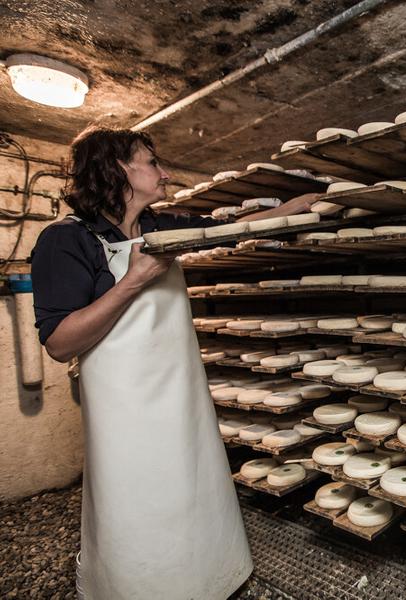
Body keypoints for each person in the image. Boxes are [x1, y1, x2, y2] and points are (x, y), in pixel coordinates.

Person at [29, 126, 317, 599]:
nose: (165, 173)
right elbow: (60, 342)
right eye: (151, 162)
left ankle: (211, 578)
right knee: (140, 498)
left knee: (195, 480)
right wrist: (133, 281)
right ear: (118, 169)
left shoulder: (158, 228)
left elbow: (219, 230)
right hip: (126, 408)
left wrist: (287, 211)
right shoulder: (65, 241)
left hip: (180, 392)